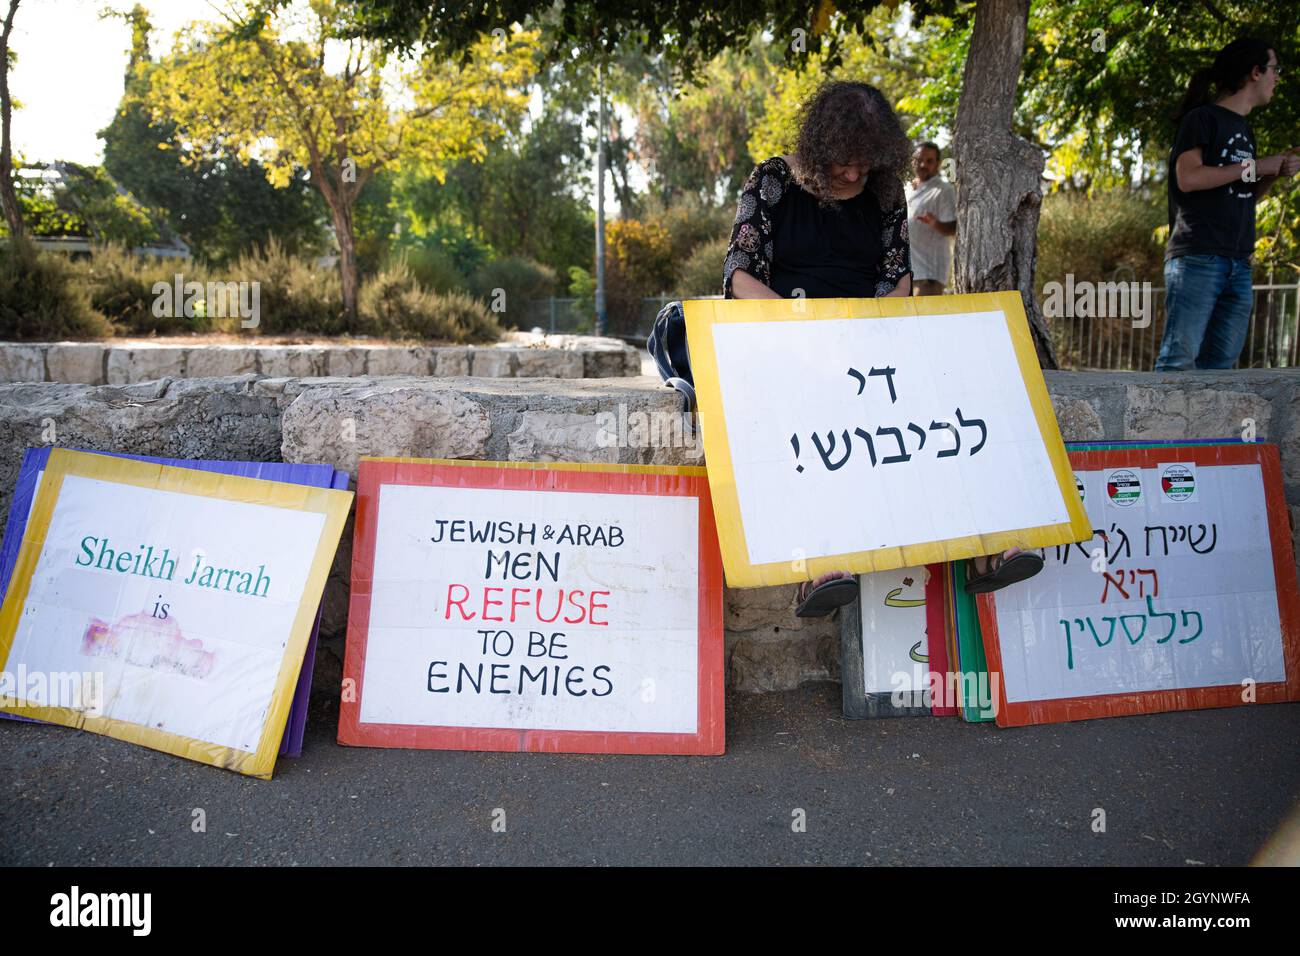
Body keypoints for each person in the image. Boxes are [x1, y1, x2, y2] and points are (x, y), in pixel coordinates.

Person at [722, 80, 1042, 617]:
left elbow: (898, 277)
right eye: (844, 163)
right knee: (818, 427)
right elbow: (739, 275)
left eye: (864, 165)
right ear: (821, 147)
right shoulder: (773, 180)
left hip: (868, 344)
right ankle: (823, 565)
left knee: (950, 414)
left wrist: (875, 334)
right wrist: (796, 327)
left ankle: (991, 544)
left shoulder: (887, 192)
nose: (853, 175)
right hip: (785, 342)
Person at [1155, 38, 1299, 371]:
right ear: (1254, 72)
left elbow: (1241, 196)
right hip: (1198, 257)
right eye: (1275, 69)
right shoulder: (1201, 119)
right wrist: (1254, 166)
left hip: (1238, 263)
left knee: (1219, 371)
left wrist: (1273, 173)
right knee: (1178, 363)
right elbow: (1188, 178)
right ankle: (1158, 426)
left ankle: (1203, 428)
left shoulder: (1245, 130)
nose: (1277, 78)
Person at [905, 142, 956, 296]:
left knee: (922, 319)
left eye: (929, 161)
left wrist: (935, 223)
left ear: (938, 164)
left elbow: (953, 228)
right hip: (905, 274)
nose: (923, 165)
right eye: (918, 160)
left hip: (928, 276)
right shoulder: (907, 188)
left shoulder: (944, 190)